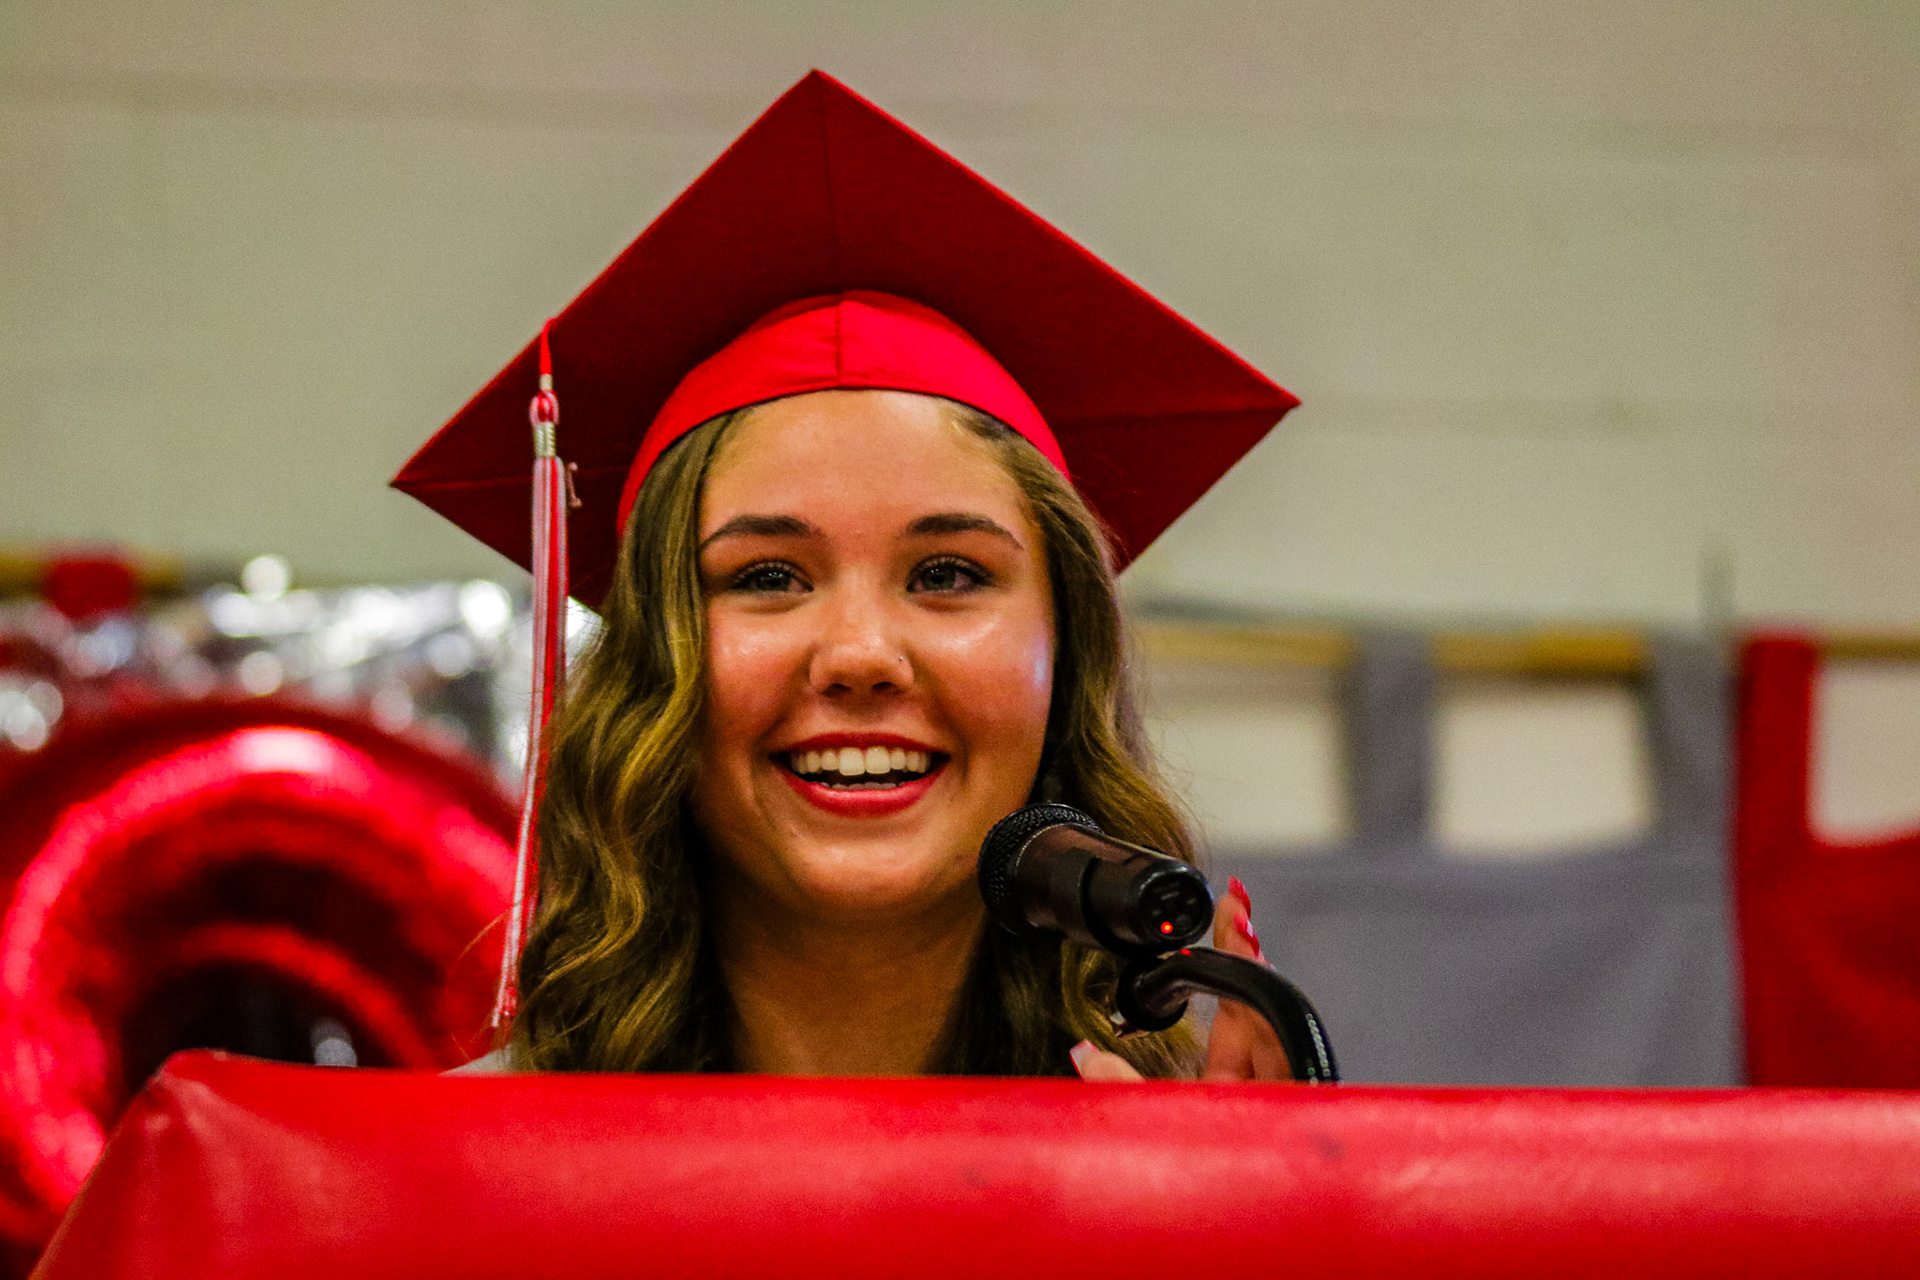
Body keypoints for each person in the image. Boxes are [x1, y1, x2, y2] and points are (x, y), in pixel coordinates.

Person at [396, 72, 1298, 1081]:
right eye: (769, 575)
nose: (861, 655)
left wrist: (1226, 1230)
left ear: (1067, 648)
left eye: (949, 573)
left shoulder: (1190, 1188)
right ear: (653, 658)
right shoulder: (457, 1189)